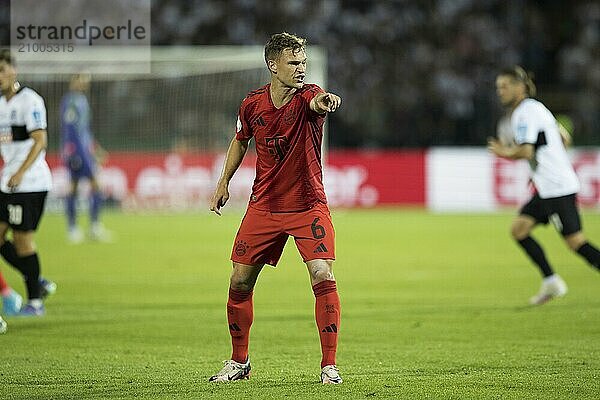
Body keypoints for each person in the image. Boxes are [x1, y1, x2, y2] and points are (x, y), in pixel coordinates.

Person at [208, 32, 343, 384]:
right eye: (293, 63)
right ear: (273, 65)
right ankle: (239, 362)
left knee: (322, 273)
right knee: (239, 279)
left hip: (307, 205)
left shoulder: (309, 96)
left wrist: (328, 100)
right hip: (264, 205)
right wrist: (223, 182)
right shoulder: (252, 105)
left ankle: (329, 366)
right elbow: (240, 141)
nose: (301, 69)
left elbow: (319, 101)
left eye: (303, 63)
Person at [488, 66, 600, 305]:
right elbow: (564, 138)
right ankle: (551, 282)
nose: (500, 91)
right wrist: (541, 167)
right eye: (498, 87)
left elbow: (526, 150)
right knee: (519, 229)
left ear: (520, 87)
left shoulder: (524, 113)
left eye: (505, 86)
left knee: (576, 242)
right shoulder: (537, 108)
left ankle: (553, 281)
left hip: (556, 189)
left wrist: (503, 152)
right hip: (546, 185)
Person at [0, 49, 53, 316]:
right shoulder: (0, 105)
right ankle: (36, 278)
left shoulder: (30, 100)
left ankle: (35, 301)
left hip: (30, 183)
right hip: (7, 183)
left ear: (13, 70)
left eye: (1, 70)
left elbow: (40, 140)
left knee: (22, 242)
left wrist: (20, 172)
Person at [60, 73, 110, 243]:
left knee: (84, 186)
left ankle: (87, 227)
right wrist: (74, 152)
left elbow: (85, 131)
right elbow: (71, 131)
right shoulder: (71, 101)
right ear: (73, 81)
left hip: (85, 151)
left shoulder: (82, 100)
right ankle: (77, 228)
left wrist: (95, 149)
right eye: (80, 79)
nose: (84, 83)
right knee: (83, 186)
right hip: (76, 151)